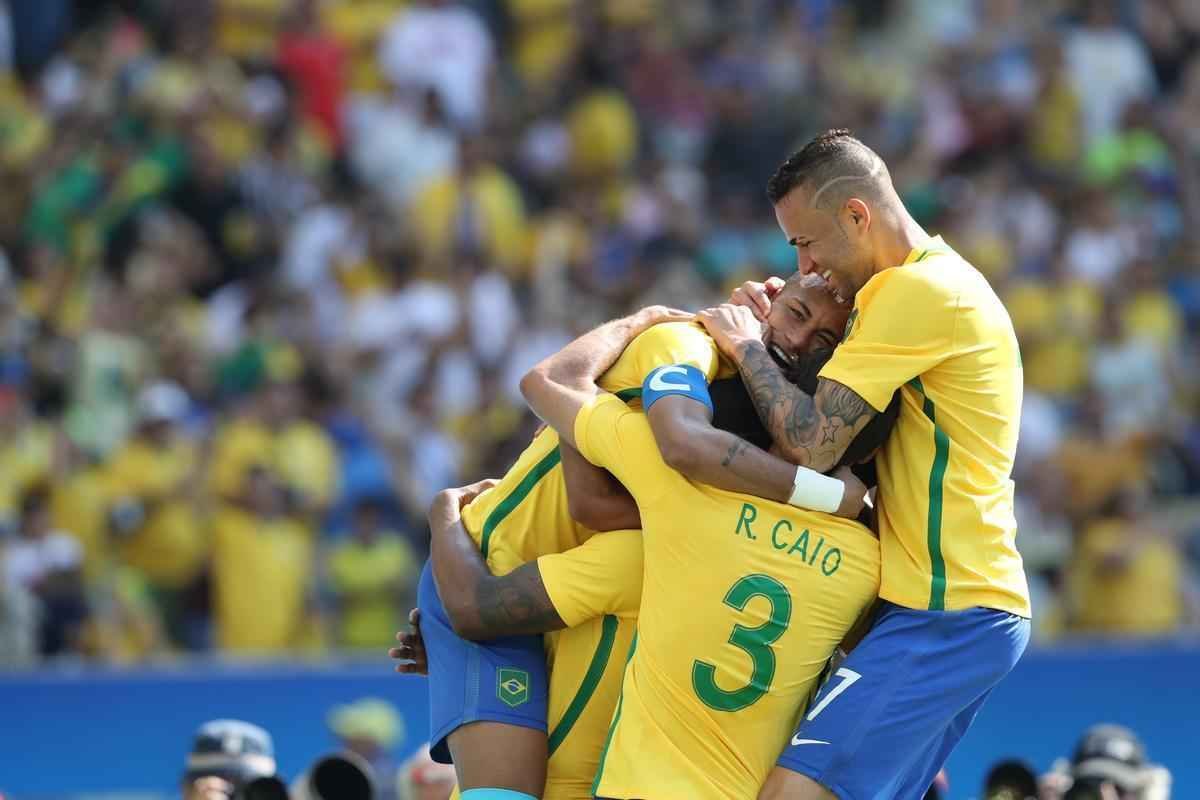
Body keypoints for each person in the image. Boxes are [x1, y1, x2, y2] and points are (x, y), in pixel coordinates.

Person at [394, 277, 869, 800]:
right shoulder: (686, 344)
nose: (799, 341)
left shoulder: (748, 446)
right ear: (768, 300)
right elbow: (595, 494)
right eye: (797, 313)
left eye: (823, 340)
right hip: (491, 565)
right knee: (513, 792)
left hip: (563, 594)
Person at [697, 129, 1031, 800]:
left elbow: (813, 444)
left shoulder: (918, 292)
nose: (806, 264)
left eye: (807, 242)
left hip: (946, 608)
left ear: (856, 215)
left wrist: (744, 348)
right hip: (951, 608)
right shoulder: (927, 286)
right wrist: (775, 321)